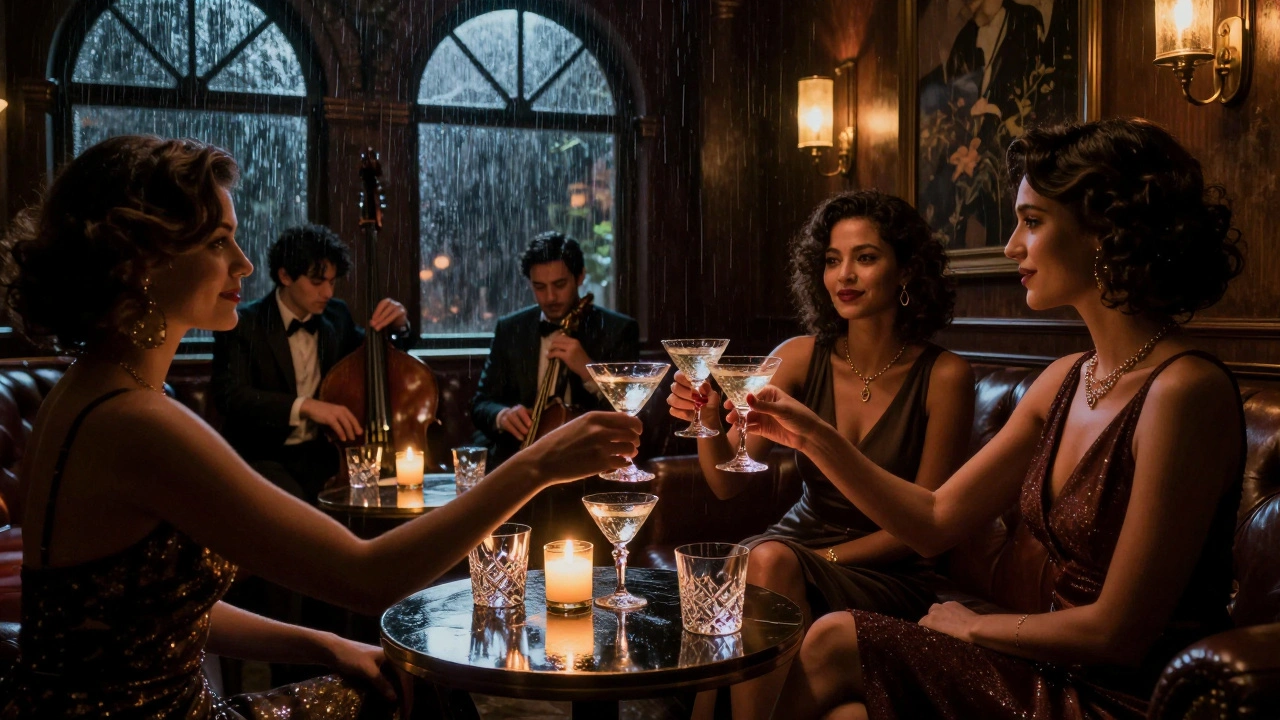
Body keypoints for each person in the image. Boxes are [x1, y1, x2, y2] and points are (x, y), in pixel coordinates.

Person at [0, 135, 642, 719]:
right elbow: (370, 578)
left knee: (407, 684)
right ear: (140, 260)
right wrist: (536, 464)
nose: (244, 265)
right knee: (430, 698)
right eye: (218, 242)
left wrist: (327, 644)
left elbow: (153, 614)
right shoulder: (136, 421)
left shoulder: (91, 390)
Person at [745, 118, 1245, 720]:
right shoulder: (1065, 378)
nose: (1012, 246)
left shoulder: (1185, 390)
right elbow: (934, 520)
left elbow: (1119, 632)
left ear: (1105, 232)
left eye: (1032, 222)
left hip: (1119, 694)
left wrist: (976, 627)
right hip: (1050, 664)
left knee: (833, 640)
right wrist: (813, 436)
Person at [666, 190, 976, 718]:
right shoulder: (799, 357)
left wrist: (823, 559)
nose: (844, 276)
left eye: (866, 257)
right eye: (833, 260)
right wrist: (706, 420)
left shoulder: (945, 377)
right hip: (791, 547)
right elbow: (726, 482)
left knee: (762, 560)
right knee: (749, 567)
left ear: (906, 271)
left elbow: (921, 527)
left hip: (889, 570)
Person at [211, 224, 414, 503]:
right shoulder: (245, 323)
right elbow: (230, 396)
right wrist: (305, 407)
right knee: (295, 508)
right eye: (317, 282)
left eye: (332, 282)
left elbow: (377, 358)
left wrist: (399, 326)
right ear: (285, 275)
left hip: (325, 457)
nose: (328, 292)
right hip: (263, 458)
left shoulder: (337, 315)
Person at [471, 232, 639, 562]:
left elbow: (630, 409)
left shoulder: (618, 330)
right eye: (539, 287)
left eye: (560, 284)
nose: (549, 297)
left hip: (584, 470)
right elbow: (480, 404)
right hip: (519, 462)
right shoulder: (511, 328)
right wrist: (502, 415)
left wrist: (588, 370)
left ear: (580, 277)